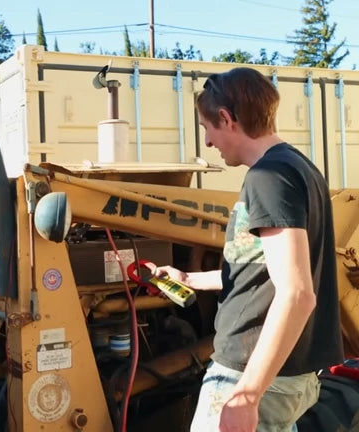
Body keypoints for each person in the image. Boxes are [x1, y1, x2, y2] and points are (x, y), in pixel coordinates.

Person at [155, 67, 343, 432]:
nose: (208, 142)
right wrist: (187, 278)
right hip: (283, 375)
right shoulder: (298, 168)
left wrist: (248, 394)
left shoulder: (268, 178)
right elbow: (260, 271)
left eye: (206, 128)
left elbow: (298, 294)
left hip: (253, 375)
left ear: (226, 118)